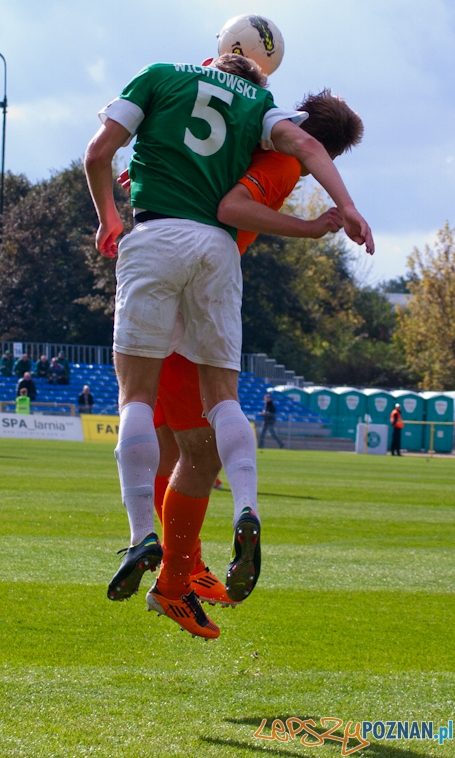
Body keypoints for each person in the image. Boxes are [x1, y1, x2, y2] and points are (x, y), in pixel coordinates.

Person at [86, 55, 373, 639]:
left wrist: (123, 196)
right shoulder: (280, 153)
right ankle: (178, 574)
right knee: (197, 447)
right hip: (204, 272)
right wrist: (324, 219)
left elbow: (124, 149)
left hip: (157, 249)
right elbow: (233, 206)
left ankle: (167, 557)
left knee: (170, 438)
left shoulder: (201, 96)